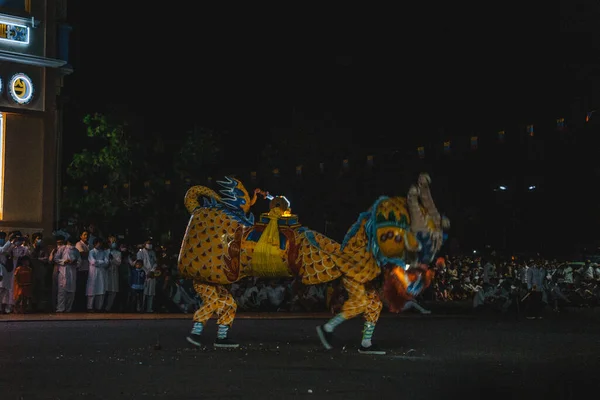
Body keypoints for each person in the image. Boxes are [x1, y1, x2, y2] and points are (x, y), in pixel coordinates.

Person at [86, 238, 109, 312]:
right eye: (98, 243)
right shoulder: (91, 252)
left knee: (101, 290)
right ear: (95, 244)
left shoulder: (103, 252)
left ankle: (99, 307)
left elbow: (107, 262)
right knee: (92, 291)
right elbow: (93, 262)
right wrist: (101, 262)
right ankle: (90, 307)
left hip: (101, 273)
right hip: (93, 273)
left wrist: (98, 262)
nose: (100, 245)